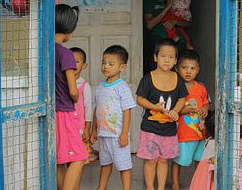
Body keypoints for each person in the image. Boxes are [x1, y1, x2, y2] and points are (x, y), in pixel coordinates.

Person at [136, 38, 188, 190]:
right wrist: (154, 107)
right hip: (150, 128)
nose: (167, 60)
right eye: (163, 56)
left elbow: (182, 98)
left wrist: (175, 111)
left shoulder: (177, 79)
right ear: (155, 57)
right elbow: (139, 99)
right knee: (151, 160)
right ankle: (150, 187)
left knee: (164, 160)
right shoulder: (148, 78)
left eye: (171, 57)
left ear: (175, 60)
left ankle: (160, 188)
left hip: (169, 129)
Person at [90, 45, 136, 190]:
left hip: (117, 135)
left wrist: (124, 134)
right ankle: (101, 187)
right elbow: (96, 109)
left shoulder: (122, 87)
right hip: (103, 134)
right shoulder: (100, 87)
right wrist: (93, 130)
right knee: (105, 163)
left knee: (124, 166)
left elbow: (127, 111)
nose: (105, 67)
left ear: (122, 67)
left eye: (111, 64)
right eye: (103, 63)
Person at [55, 4, 87, 190]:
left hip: (53, 111)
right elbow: (73, 90)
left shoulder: (47, 49)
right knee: (79, 157)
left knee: (60, 159)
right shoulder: (66, 54)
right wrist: (75, 98)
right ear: (68, 29)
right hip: (66, 112)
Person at [171, 50, 210, 190]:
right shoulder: (175, 87)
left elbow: (206, 102)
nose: (188, 72)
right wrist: (183, 111)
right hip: (182, 133)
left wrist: (205, 109)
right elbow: (172, 109)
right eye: (184, 68)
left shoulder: (201, 88)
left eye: (192, 68)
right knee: (179, 160)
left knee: (199, 159)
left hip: (199, 132)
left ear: (198, 70)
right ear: (177, 68)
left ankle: (197, 181)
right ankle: (175, 182)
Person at [144, 0, 188, 73]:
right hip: (159, 42)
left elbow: (188, 22)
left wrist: (175, 22)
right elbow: (149, 25)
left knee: (177, 76)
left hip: (178, 42)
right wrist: (167, 8)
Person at [70, 47, 97, 189]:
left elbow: (88, 108)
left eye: (77, 61)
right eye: (69, 61)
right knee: (66, 158)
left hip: (79, 130)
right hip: (65, 128)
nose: (73, 65)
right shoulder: (62, 83)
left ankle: (76, 186)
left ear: (84, 66)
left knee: (78, 160)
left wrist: (87, 128)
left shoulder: (84, 86)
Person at [189, 111, 215, 190]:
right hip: (208, 171)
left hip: (202, 170)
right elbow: (213, 160)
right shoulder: (214, 143)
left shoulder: (209, 139)